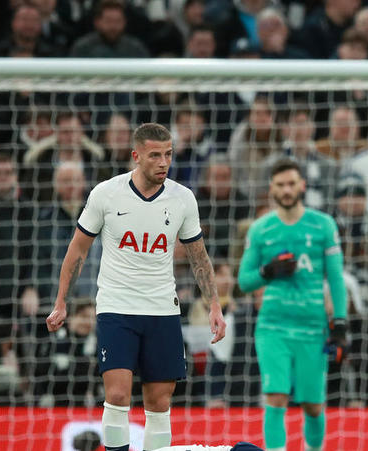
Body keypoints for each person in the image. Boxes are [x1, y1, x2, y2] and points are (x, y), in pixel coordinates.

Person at [46, 123, 226, 451]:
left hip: (162, 309)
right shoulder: (106, 194)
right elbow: (78, 249)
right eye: (155, 155)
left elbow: (199, 257)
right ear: (136, 156)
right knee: (116, 396)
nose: (163, 162)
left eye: (168, 155)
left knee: (159, 403)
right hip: (117, 307)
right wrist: (61, 301)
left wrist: (214, 305)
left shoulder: (182, 199)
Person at [237, 159, 348, 451]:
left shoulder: (323, 224)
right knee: (276, 397)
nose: (287, 190)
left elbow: (336, 279)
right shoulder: (260, 229)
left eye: (291, 183)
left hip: (313, 327)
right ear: (271, 189)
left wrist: (340, 324)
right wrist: (268, 271)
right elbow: (244, 282)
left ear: (303, 185)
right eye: (280, 185)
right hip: (273, 326)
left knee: (313, 405)